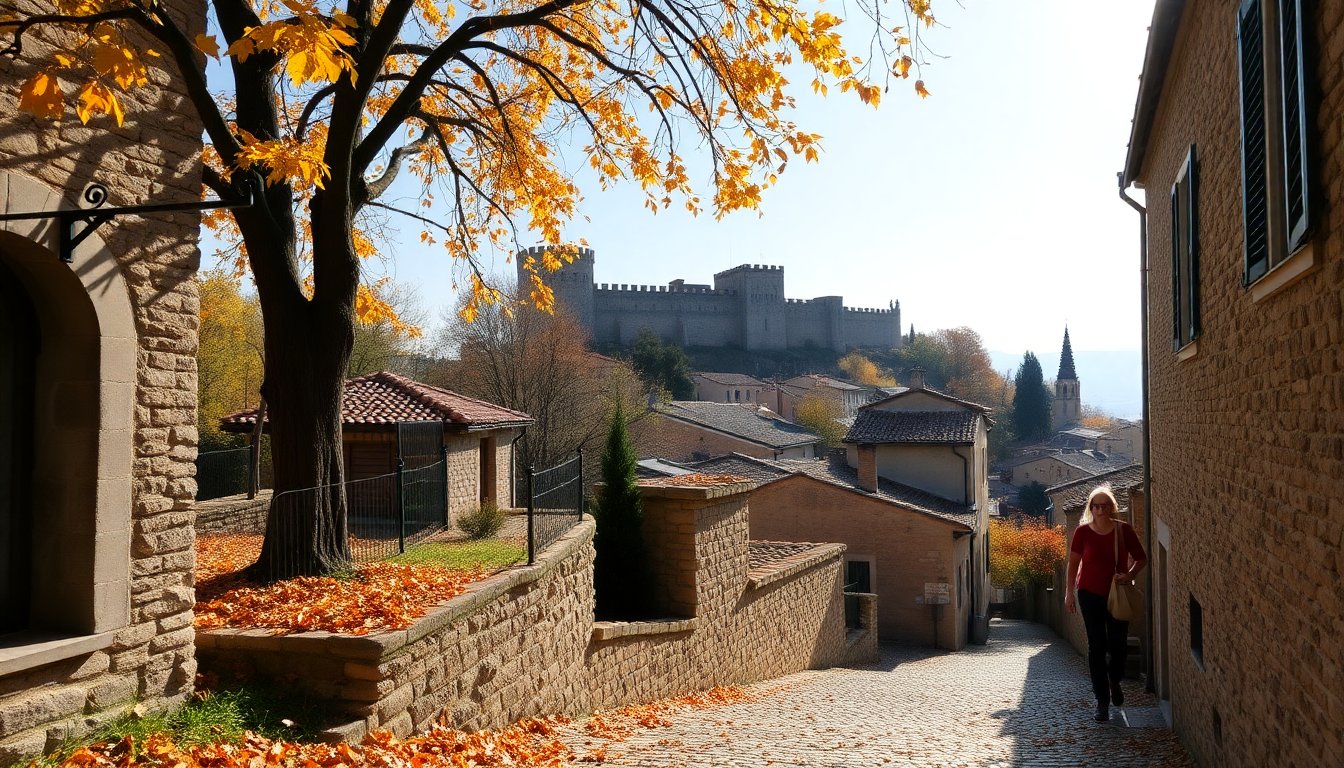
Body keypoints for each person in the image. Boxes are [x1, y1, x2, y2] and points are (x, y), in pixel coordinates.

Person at [1064, 485, 1147, 722]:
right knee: (1096, 646)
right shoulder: (1082, 532)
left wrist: (1129, 575)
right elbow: (1073, 564)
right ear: (1091, 508)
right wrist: (1069, 593)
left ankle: (1114, 680)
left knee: (1118, 645)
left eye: (1104, 505)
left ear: (1111, 507)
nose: (1100, 510)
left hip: (1117, 594)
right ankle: (1101, 700)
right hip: (1089, 594)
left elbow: (1142, 558)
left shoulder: (1123, 531)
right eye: (1095, 506)